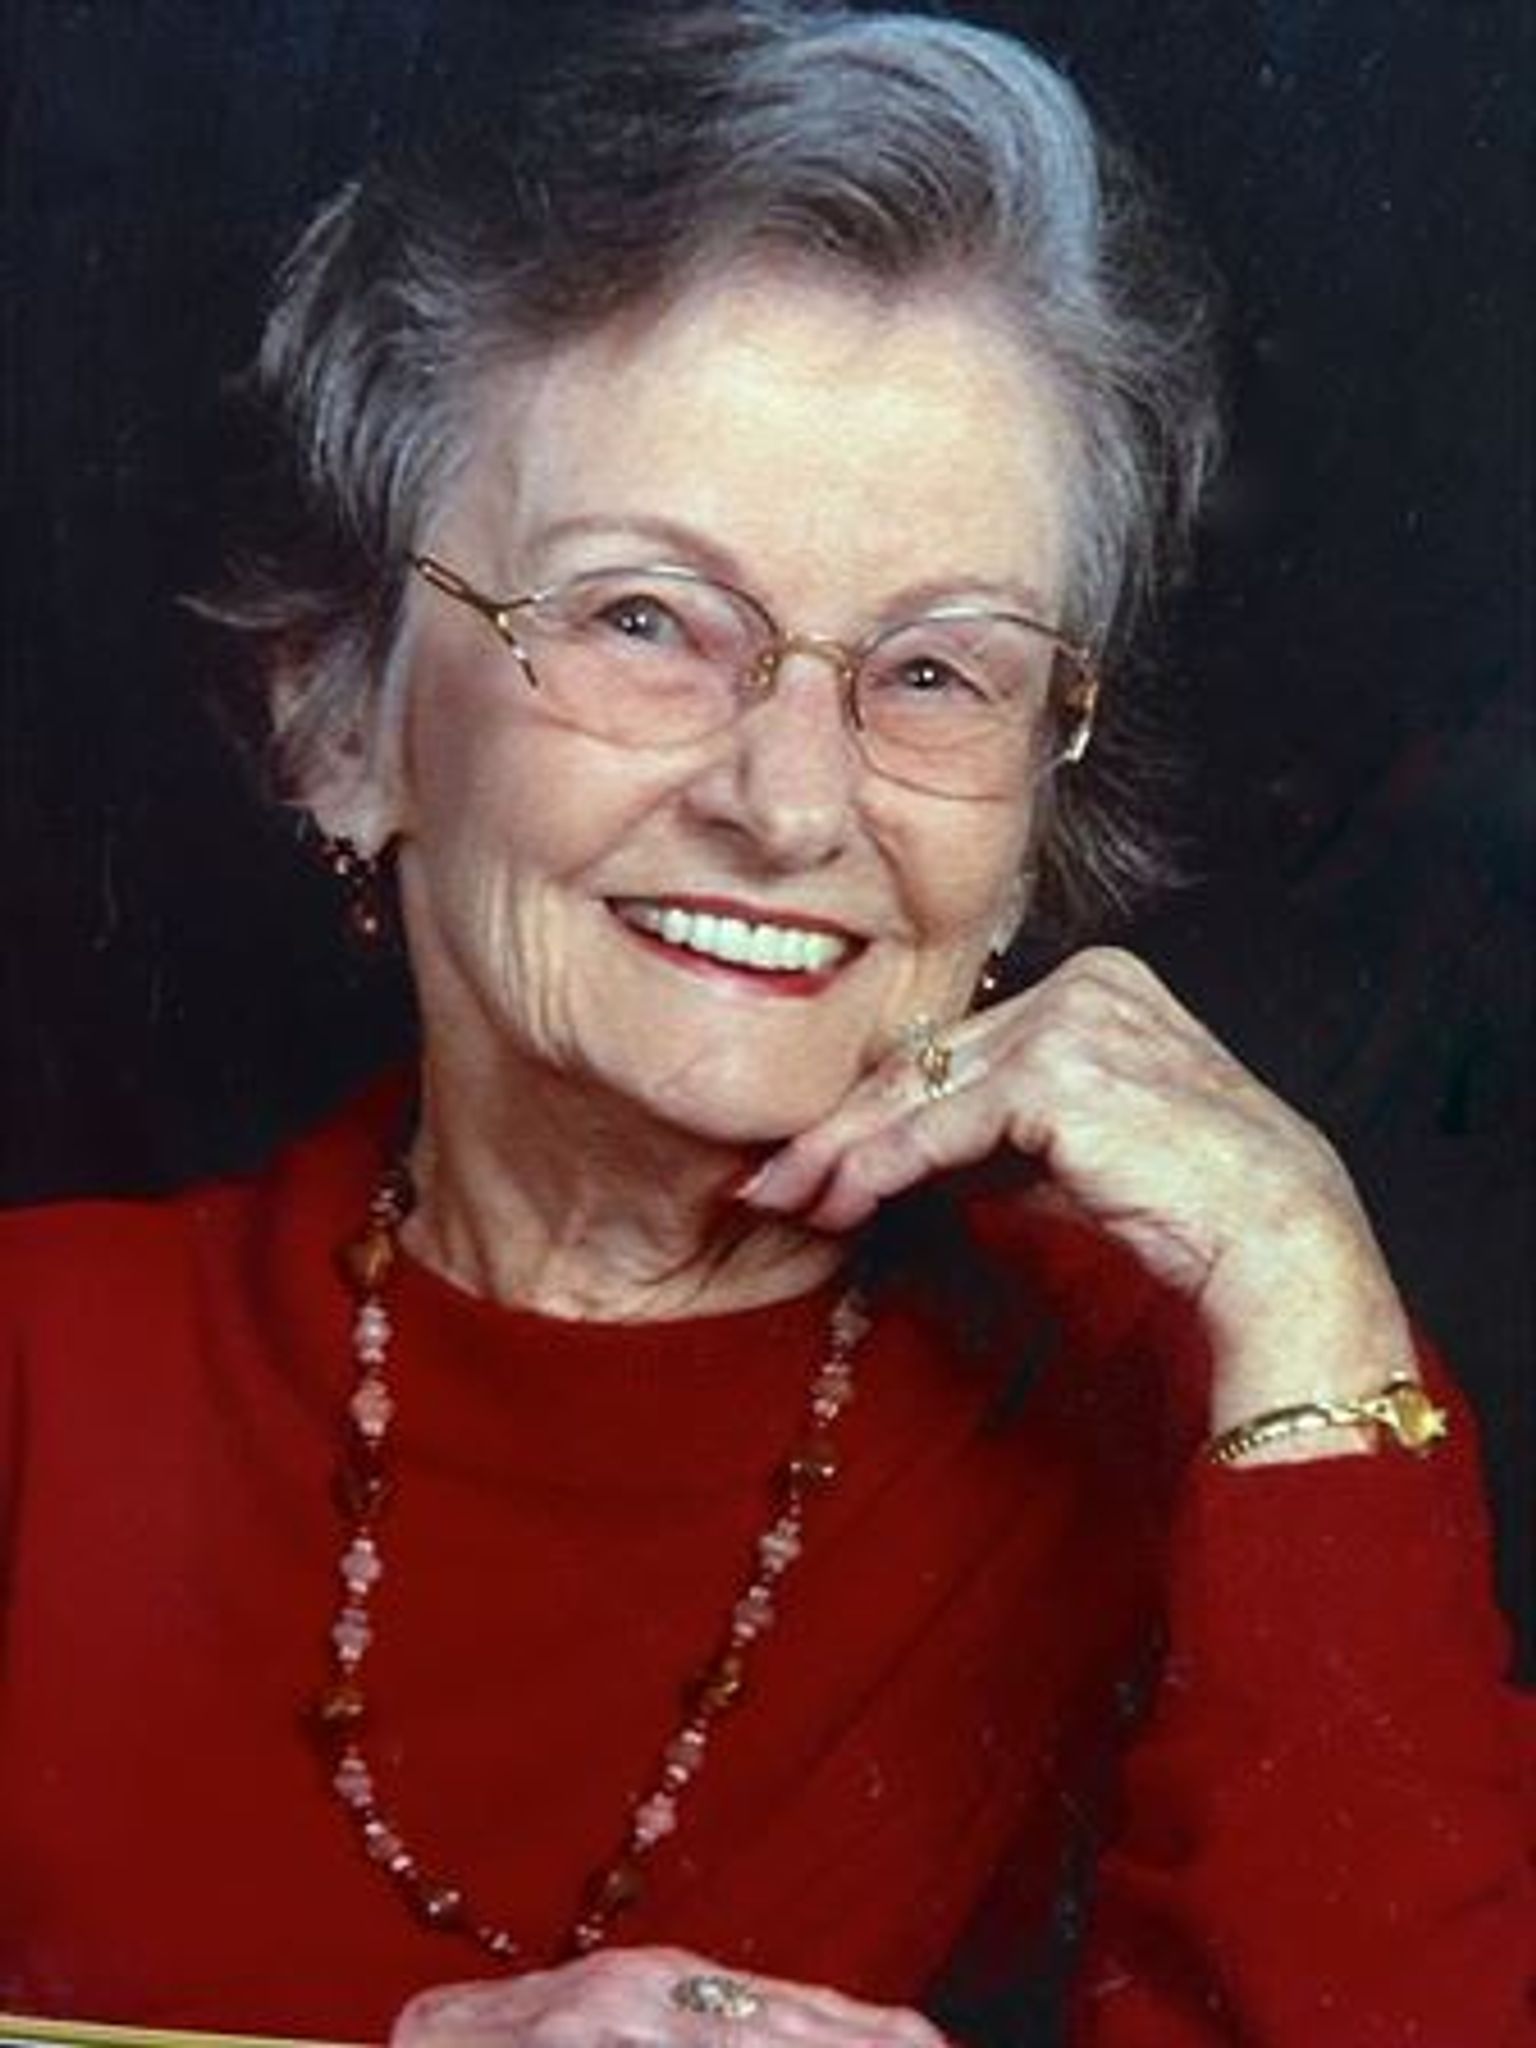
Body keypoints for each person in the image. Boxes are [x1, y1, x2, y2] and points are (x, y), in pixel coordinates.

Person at [2, 4, 1530, 2043]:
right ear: (336, 716)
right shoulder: (41, 1379)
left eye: (938, 671)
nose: (793, 801)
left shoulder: (1239, 1411)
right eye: (644, 618)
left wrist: (1311, 1297)